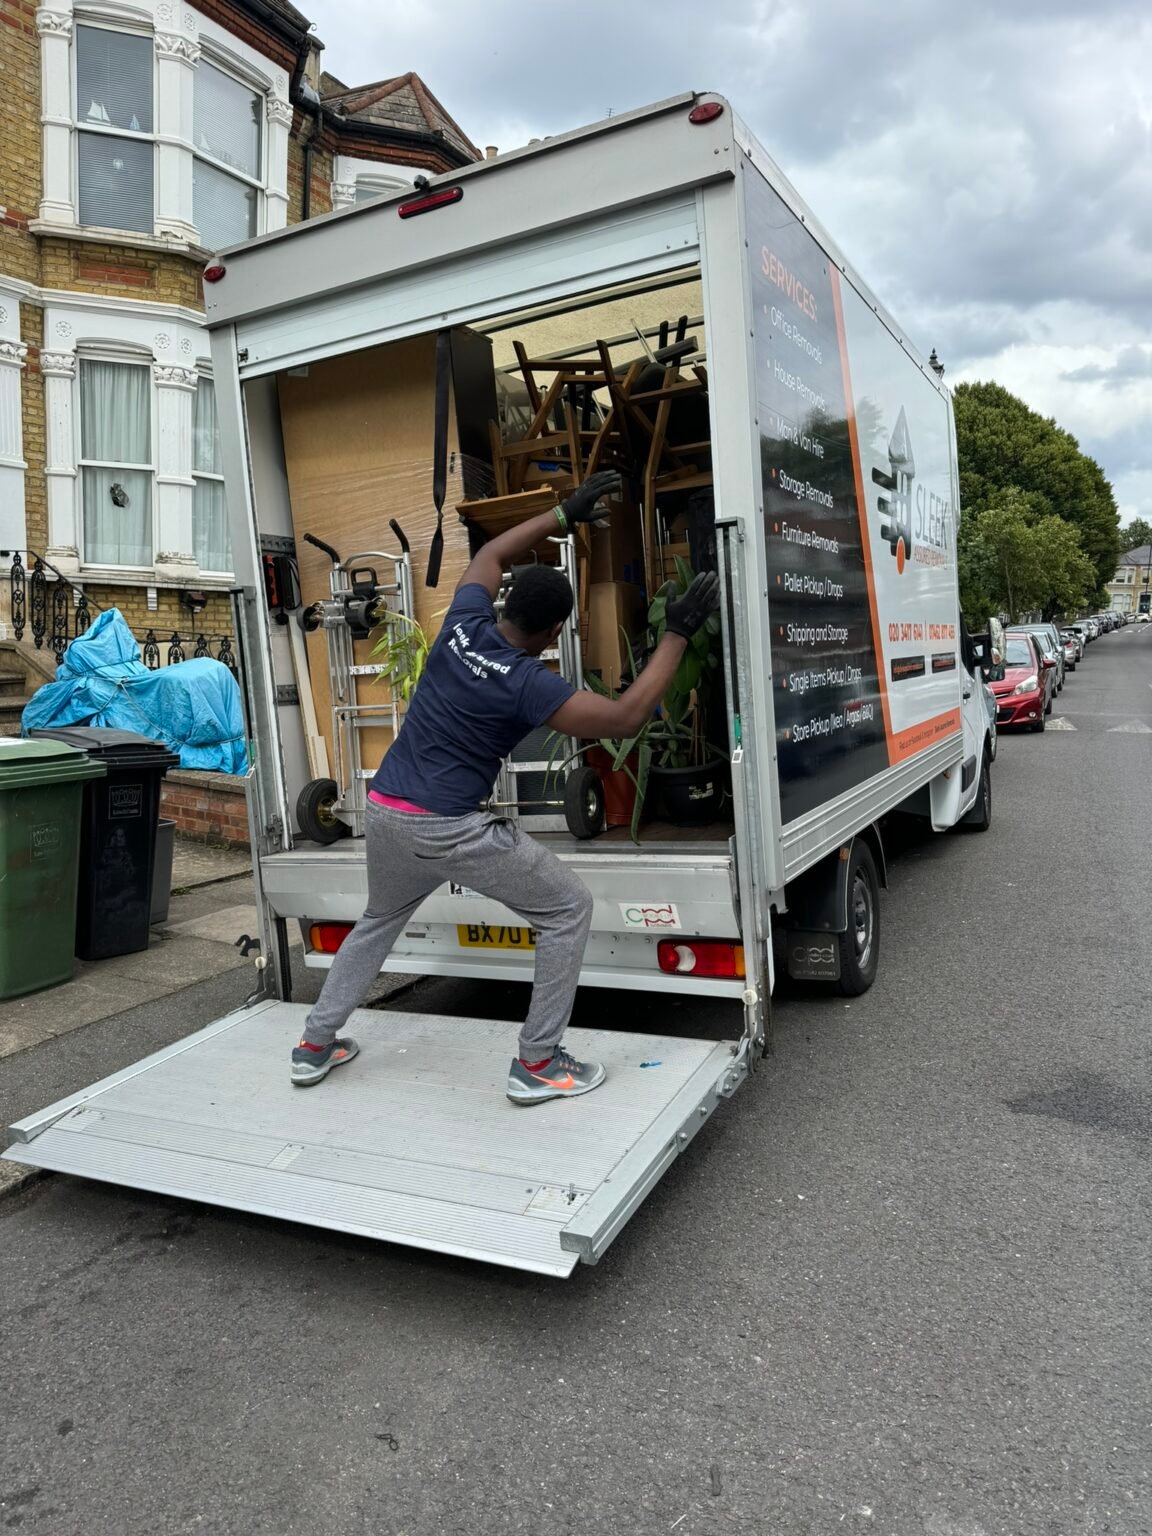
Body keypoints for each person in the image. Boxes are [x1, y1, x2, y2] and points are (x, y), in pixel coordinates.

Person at [290, 470, 720, 1104]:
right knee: (567, 909)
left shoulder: (464, 623)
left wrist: (562, 514)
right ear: (553, 633)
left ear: (505, 605)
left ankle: (314, 1045)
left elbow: (491, 553)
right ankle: (538, 1062)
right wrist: (678, 632)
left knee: (379, 919)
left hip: (384, 809)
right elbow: (626, 717)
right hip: (446, 826)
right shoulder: (528, 683)